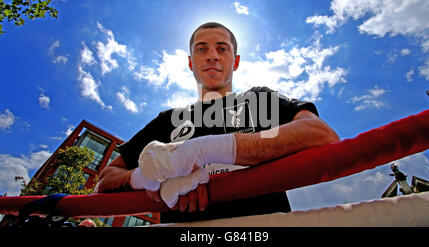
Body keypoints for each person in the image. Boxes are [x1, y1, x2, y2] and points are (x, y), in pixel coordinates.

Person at [95, 22, 340, 223]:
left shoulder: (260, 99)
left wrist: (201, 151)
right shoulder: (167, 120)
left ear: (235, 61)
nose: (212, 56)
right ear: (191, 62)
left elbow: (321, 134)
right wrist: (146, 177)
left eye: (222, 48)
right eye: (202, 49)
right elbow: (106, 179)